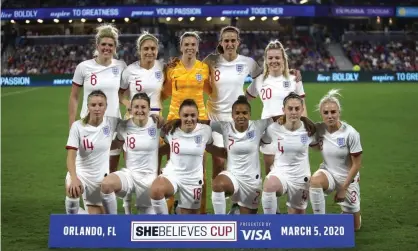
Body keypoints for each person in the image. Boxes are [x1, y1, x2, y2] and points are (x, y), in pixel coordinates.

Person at [203, 27, 303, 214]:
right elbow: (196, 74)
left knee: (246, 159)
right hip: (215, 116)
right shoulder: (211, 60)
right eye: (226, 40)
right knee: (218, 161)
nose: (230, 44)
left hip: (237, 118)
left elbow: (265, 78)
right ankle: (223, 204)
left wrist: (292, 73)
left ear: (238, 42)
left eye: (233, 40)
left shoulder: (248, 63)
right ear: (221, 42)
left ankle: (244, 202)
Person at [161, 31, 211, 214]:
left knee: (201, 169)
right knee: (172, 167)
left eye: (193, 44)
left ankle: (201, 211)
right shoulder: (172, 68)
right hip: (174, 120)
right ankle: (170, 208)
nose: (190, 47)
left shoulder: (204, 68)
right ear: (181, 47)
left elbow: (211, 91)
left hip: (200, 122)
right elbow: (164, 92)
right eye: (186, 44)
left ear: (197, 48)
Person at [68, 23, 127, 177]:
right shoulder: (83, 67)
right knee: (88, 170)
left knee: (111, 171)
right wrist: (72, 125)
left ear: (115, 47)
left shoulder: (121, 66)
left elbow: (123, 95)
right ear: (97, 45)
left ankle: (107, 200)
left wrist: (130, 107)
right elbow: (74, 97)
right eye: (103, 44)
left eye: (110, 45)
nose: (106, 48)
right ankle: (90, 200)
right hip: (89, 125)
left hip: (113, 125)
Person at [150, 99, 225, 215]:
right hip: (173, 174)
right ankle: (164, 224)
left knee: (189, 217)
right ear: (180, 116)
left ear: (198, 116)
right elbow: (167, 145)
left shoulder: (205, 130)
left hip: (193, 179)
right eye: (185, 115)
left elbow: (209, 147)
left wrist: (227, 154)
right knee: (156, 191)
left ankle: (178, 209)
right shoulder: (170, 130)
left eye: (192, 115)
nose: (189, 119)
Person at [246, 39, 308, 180]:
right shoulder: (259, 80)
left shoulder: (294, 79)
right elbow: (245, 100)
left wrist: (303, 129)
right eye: (271, 58)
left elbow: (303, 107)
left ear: (283, 59)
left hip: (290, 131)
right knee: (270, 175)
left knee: (294, 174)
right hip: (267, 132)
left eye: (277, 57)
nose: (274, 61)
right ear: (266, 60)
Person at [119, 32, 165, 214]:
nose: (149, 52)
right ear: (139, 50)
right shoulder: (130, 70)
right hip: (134, 119)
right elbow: (119, 94)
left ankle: (152, 201)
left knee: (154, 163)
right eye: (146, 48)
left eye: (153, 48)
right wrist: (130, 108)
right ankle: (127, 204)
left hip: (155, 121)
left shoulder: (162, 68)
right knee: (132, 162)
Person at [309, 89, 363, 231]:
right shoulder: (319, 129)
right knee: (314, 181)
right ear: (321, 114)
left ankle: (349, 212)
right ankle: (319, 224)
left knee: (354, 227)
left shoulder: (351, 133)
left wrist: (343, 188)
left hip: (348, 178)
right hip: (328, 173)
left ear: (339, 112)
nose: (330, 116)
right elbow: (312, 144)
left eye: (333, 112)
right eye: (326, 113)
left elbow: (357, 164)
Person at [209, 96, 274, 214]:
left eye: (244, 113)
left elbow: (280, 118)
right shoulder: (225, 127)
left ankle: (236, 210)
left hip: (252, 182)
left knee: (246, 224)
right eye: (237, 113)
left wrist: (304, 120)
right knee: (217, 185)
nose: (241, 116)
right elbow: (202, 123)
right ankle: (220, 222)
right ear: (232, 115)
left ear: (250, 114)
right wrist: (177, 122)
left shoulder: (258, 126)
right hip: (232, 177)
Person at [100, 93, 161, 215]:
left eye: (143, 107)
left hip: (148, 180)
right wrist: (94, 147)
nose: (139, 110)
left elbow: (174, 134)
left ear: (149, 109)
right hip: (130, 176)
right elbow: (117, 144)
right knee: (106, 184)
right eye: (136, 107)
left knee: (146, 224)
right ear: (131, 109)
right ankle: (113, 223)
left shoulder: (157, 124)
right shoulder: (124, 126)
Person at [65, 90, 120, 215]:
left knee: (97, 222)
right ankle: (70, 220)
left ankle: (82, 220)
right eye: (93, 105)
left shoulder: (111, 122)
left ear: (106, 107)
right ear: (88, 107)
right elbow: (70, 157)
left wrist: (154, 118)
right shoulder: (77, 126)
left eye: (101, 105)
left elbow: (133, 123)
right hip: (81, 175)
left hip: (100, 180)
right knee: (72, 189)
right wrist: (74, 178)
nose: (97, 108)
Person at [261, 92, 316, 215]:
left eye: (297, 109)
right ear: (283, 110)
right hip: (280, 173)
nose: (293, 112)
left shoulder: (310, 130)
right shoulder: (273, 129)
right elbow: (261, 141)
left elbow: (320, 146)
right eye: (290, 108)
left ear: (302, 110)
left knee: (297, 219)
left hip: (301, 178)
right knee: (269, 186)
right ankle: (270, 223)